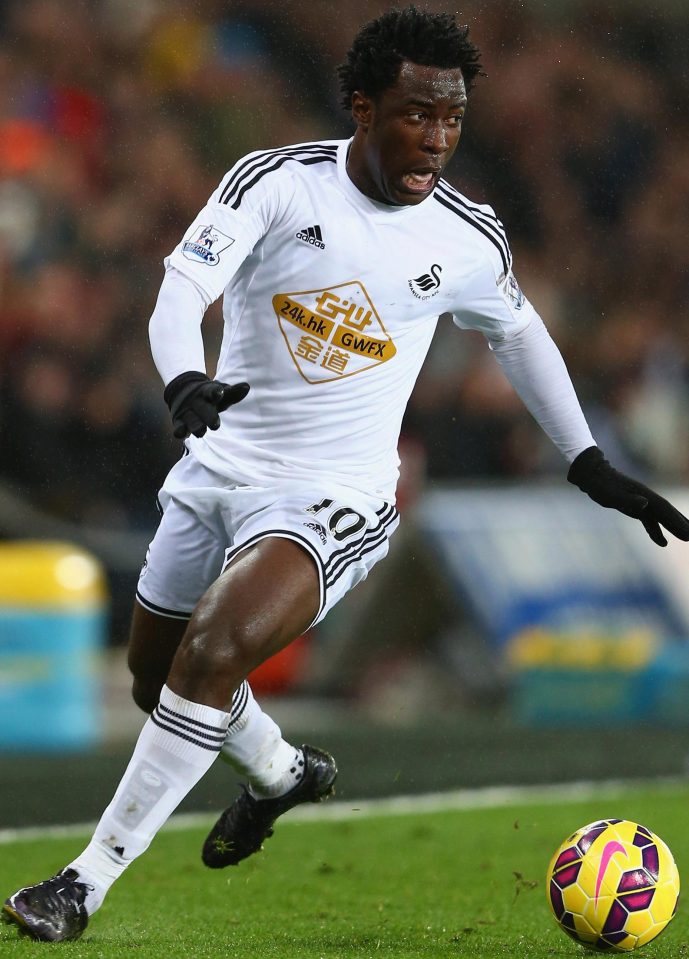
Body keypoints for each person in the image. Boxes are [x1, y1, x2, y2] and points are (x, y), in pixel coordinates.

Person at [4, 5, 689, 943]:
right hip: (219, 465)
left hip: (334, 494)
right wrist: (182, 379)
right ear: (362, 108)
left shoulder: (465, 237)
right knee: (153, 677)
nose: (436, 140)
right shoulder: (276, 183)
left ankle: (83, 881)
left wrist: (587, 459)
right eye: (415, 114)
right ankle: (282, 771)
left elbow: (520, 334)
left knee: (212, 653)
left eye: (450, 119)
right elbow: (182, 291)